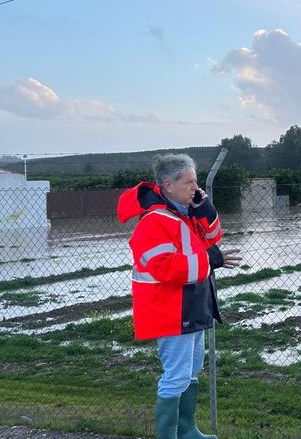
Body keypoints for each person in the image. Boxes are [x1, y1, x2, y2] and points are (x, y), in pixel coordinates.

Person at [117, 153, 241, 439]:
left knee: (191, 370)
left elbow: (212, 240)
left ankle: (187, 431)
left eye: (196, 182)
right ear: (168, 185)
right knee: (176, 376)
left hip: (192, 307)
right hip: (172, 312)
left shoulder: (184, 215)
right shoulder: (154, 222)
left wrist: (205, 210)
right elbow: (166, 268)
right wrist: (212, 258)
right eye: (189, 183)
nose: (195, 189)